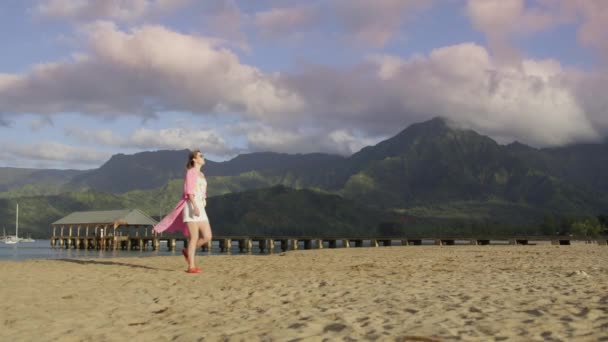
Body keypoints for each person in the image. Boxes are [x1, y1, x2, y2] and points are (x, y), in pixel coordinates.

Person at [152, 150, 213, 273]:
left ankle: (186, 251)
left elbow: (203, 191)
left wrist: (204, 201)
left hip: (200, 207)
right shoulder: (191, 173)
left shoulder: (202, 174)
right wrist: (194, 206)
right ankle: (191, 266)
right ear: (194, 160)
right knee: (194, 237)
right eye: (200, 155)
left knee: (208, 236)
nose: (203, 157)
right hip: (191, 206)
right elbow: (189, 191)